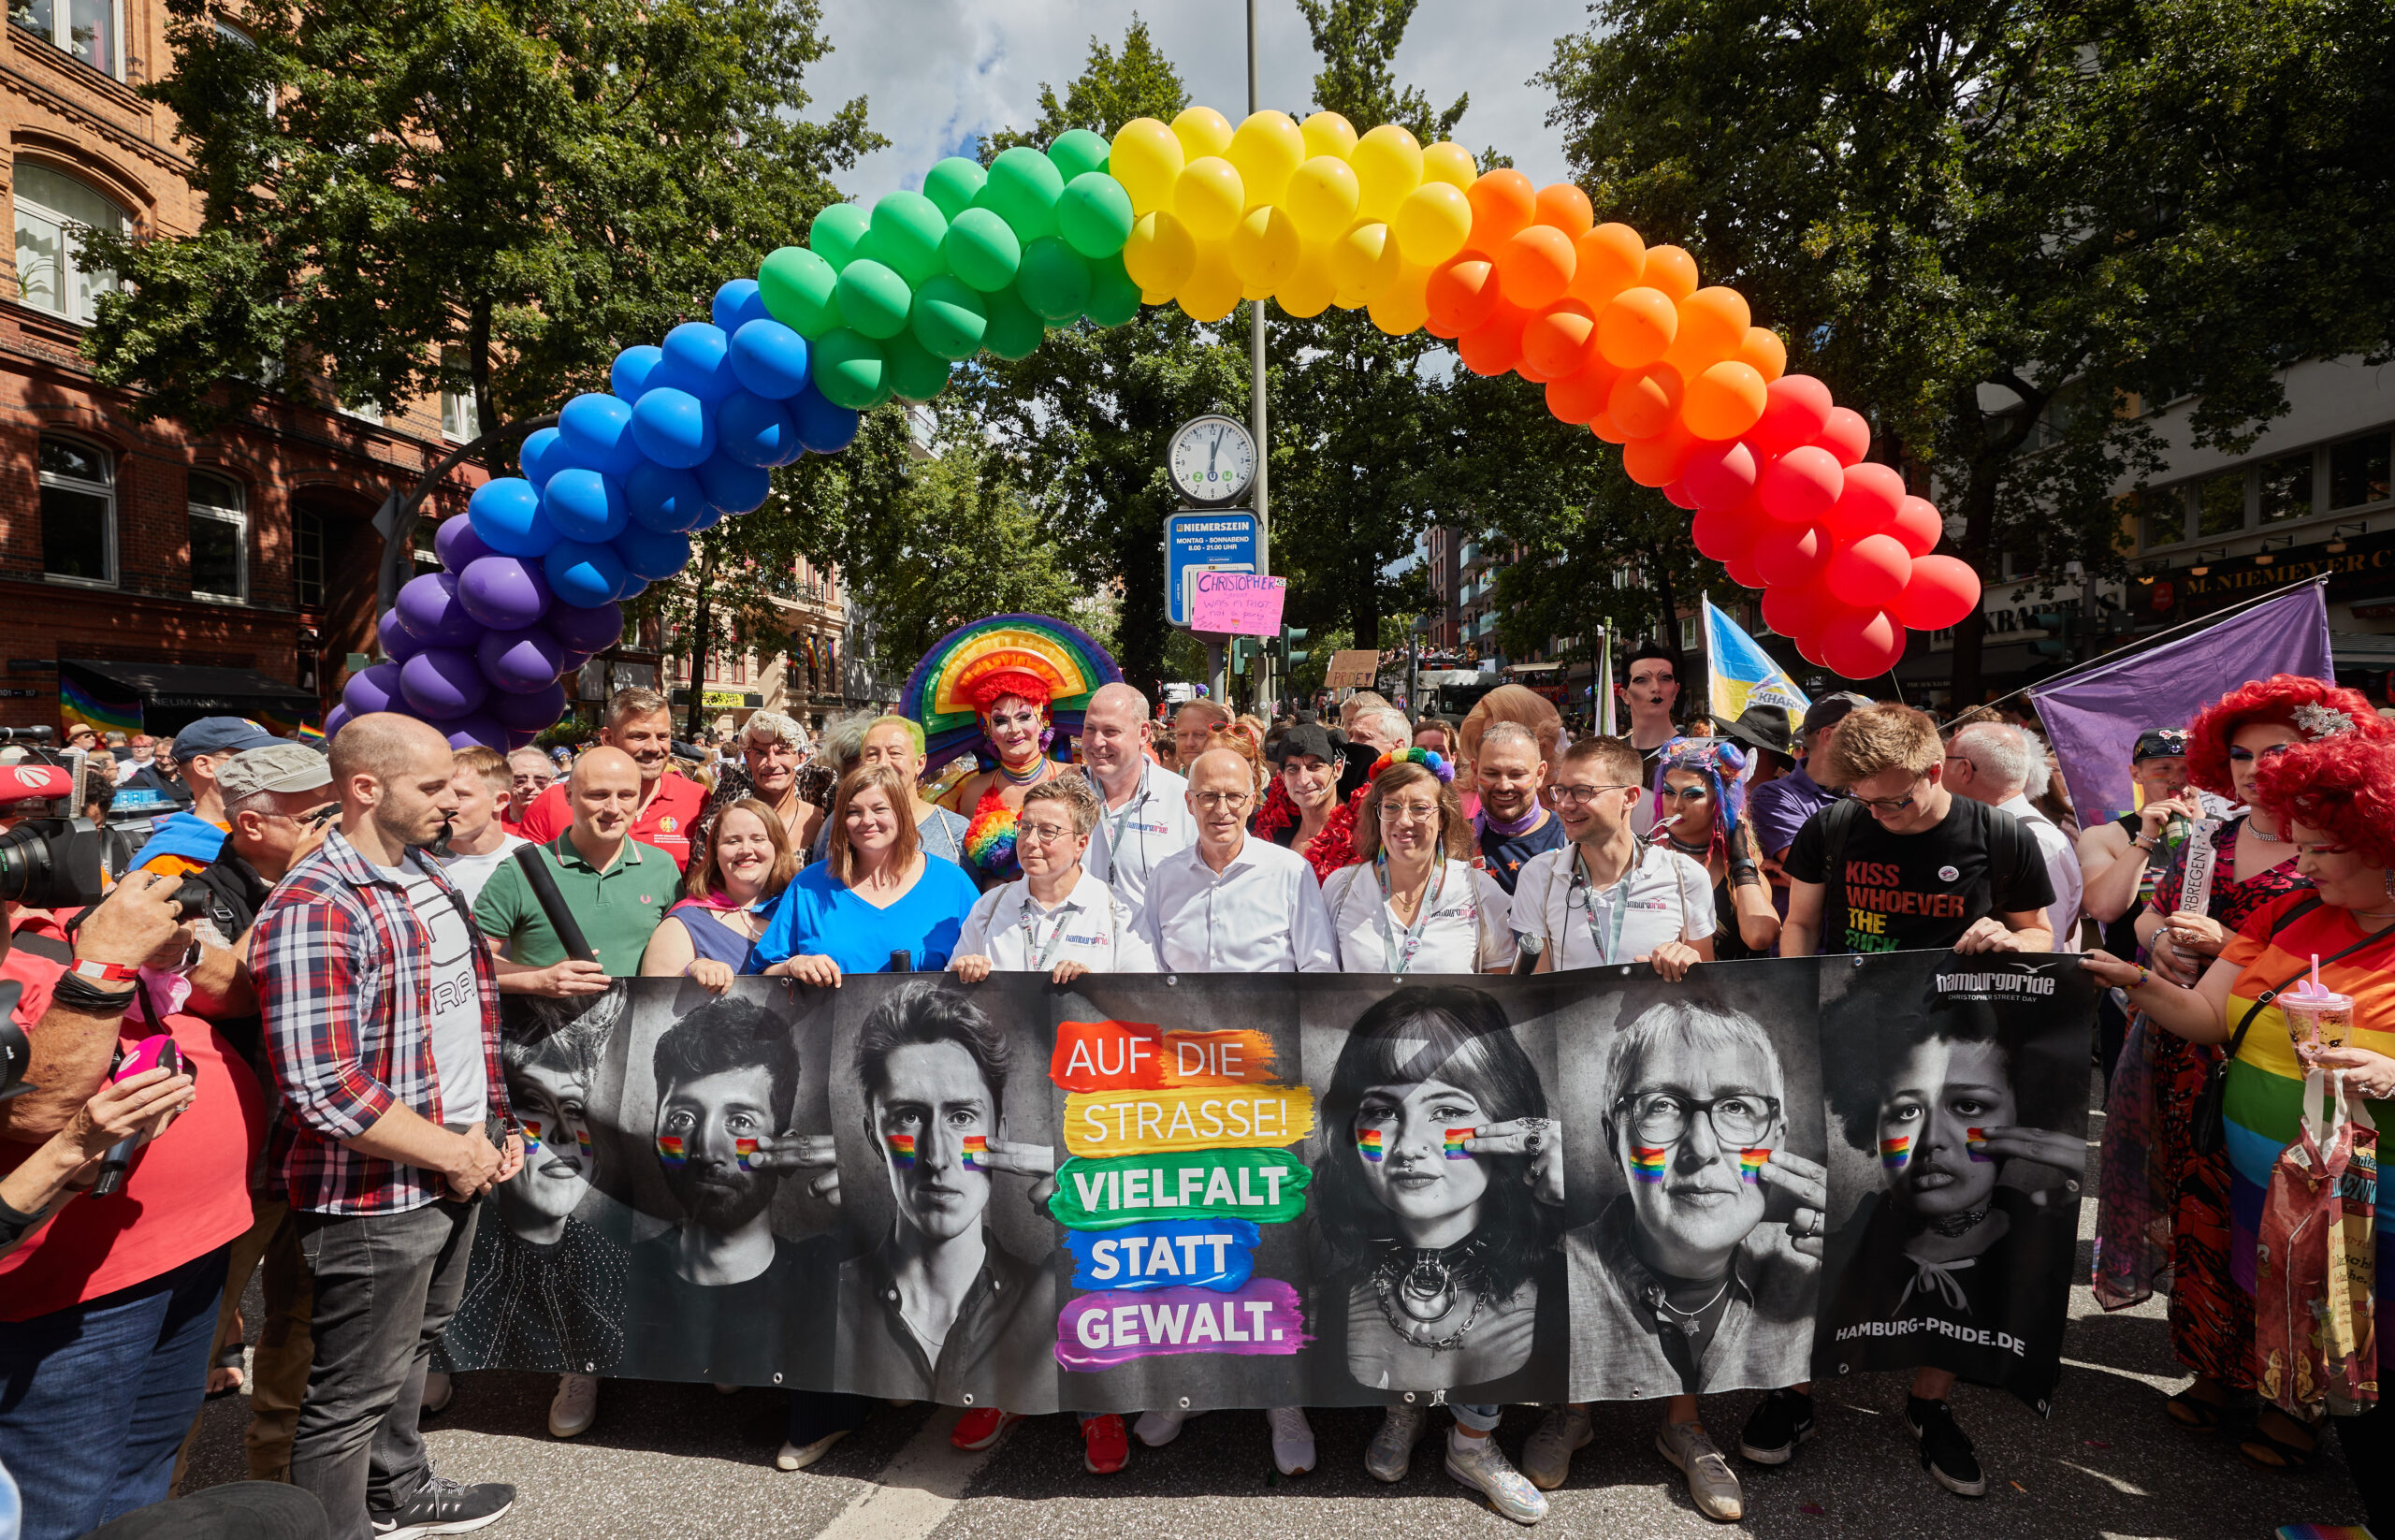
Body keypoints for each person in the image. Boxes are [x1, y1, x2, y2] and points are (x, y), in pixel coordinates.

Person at [2085, 725, 2395, 1535]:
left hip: (2376, 1215)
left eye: (2327, 847)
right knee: (2346, 1379)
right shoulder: (2294, 914)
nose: (2307, 859)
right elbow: (2204, 1015)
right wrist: (2132, 982)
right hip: (2284, 1202)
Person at [1747, 703, 2053, 1499]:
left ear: (1936, 770)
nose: (1878, 812)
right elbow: (1801, 924)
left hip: (1963, 1059)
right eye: (1865, 799)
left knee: (1950, 1228)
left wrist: (2008, 939)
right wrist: (1800, 1011)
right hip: (1853, 1054)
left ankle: (1930, 1406)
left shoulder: (1998, 836)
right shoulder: (1836, 828)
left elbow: (2043, 936)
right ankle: (1796, 1390)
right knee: (1836, 1223)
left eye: (1894, 800)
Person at [250, 712, 521, 1540]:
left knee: (412, 1347)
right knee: (348, 1395)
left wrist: (493, 1127)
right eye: (433, 785)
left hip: (453, 1162)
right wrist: (456, 1152)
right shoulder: (316, 905)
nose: (455, 800)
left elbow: (463, 1019)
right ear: (366, 788)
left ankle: (398, 1490)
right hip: (375, 1193)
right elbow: (325, 1087)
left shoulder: (425, 872)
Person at [0, 871, 263, 1540]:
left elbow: (239, 998)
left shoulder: (67, 906)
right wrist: (105, 962)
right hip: (71, 1285)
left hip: (195, 1244)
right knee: (58, 1501)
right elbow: (36, 1110)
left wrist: (180, 951)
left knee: (144, 1479)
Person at [1547, 1002, 1825, 1520]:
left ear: (1779, 1139)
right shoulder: (1552, 1267)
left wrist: (1870, 1258)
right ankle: (1572, 1411)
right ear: (1615, 1139)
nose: (1702, 1148)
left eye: (1738, 1108)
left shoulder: (1809, 1260)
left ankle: (1683, 1425)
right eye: (1662, 1106)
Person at [1139, 747, 1335, 1474]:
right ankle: (1184, 1388)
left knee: (1270, 1239)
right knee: (1189, 1233)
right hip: (1184, 1094)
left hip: (1266, 1093)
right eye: (1206, 796)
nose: (1220, 808)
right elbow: (1145, 975)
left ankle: (1284, 1400)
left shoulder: (1288, 873)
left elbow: (1317, 974)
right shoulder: (1163, 878)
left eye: (1232, 796)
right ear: (1186, 802)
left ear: (1253, 800)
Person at [1314, 986, 1561, 1524]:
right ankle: (1404, 1412)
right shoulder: (1327, 1295)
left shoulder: (1565, 1279)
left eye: (1447, 1109)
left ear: (1510, 1122)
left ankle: (1471, 1444)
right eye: (1381, 1111)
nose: (1409, 1146)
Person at [166, 743, 340, 1488]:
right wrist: (302, 883)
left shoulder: (343, 879)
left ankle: (277, 1493)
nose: (337, 821)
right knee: (190, 1342)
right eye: (317, 812)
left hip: (322, 1143)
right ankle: (154, 1503)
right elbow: (230, 991)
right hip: (240, 1159)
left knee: (302, 1328)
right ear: (252, 824)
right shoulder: (198, 895)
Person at [1813, 1000, 2085, 1467]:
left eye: (1968, 1106)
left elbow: (2035, 929)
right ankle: (1794, 1398)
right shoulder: (1830, 1246)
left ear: (2023, 1110)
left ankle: (1930, 1404)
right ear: (1870, 1125)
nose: (1931, 1139)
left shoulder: (2034, 1250)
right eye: (1904, 1112)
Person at [617, 995, 850, 1466]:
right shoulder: (621, 1277)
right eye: (683, 1118)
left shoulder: (831, 1278)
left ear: (784, 1150)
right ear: (655, 1130)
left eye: (740, 1121)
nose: (707, 1147)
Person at [835, 985, 1059, 1418]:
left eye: (961, 1117)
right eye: (908, 1116)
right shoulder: (829, 1296)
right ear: (873, 1138)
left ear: (1002, 1132)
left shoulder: (1051, 1295)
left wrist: (1097, 1210)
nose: (936, 1157)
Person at [755, 763, 982, 982]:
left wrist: (970, 967)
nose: (867, 821)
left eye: (879, 809)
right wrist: (792, 966)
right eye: (854, 811)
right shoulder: (808, 886)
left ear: (901, 814)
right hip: (831, 1022)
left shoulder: (951, 883)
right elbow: (762, 973)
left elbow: (991, 961)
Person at [1513, 737, 1717, 978]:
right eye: (1560, 791)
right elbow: (1537, 993)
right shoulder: (1539, 875)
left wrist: (1688, 962)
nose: (1565, 805)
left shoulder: (1684, 876)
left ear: (1630, 798)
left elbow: (1705, 990)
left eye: (1582, 792)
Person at [476, 747, 674, 993]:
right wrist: (540, 980)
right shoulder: (518, 872)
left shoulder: (662, 867)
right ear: (568, 794)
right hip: (544, 1028)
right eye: (598, 795)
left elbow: (682, 953)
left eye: (625, 795)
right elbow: (470, 961)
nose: (613, 808)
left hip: (639, 1027)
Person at [1319, 749, 1516, 974]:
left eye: (1420, 808)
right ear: (1377, 814)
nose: (1404, 821)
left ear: (1442, 817)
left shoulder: (1478, 890)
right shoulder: (1341, 889)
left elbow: (1499, 980)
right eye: (1391, 807)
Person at [2078, 727, 2196, 1083]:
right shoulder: (2105, 836)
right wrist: (2145, 838)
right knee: (2129, 1112)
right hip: (2130, 993)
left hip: (2206, 994)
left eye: (2188, 770)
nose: (2178, 782)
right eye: (2163, 769)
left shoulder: (2225, 834)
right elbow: (2103, 909)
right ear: (2137, 774)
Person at [515, 688, 707, 871]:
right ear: (607, 738)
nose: (654, 747)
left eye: (663, 736)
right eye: (639, 736)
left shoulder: (697, 799)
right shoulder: (552, 803)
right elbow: (523, 883)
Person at [643, 798, 800, 990]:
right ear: (715, 852)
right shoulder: (684, 923)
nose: (746, 850)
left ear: (777, 847)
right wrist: (689, 971)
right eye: (732, 841)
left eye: (758, 839)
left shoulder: (801, 912)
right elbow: (651, 1003)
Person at [1947, 722, 2082, 943]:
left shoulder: (2036, 838)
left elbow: (2047, 946)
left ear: (1964, 769)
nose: (1936, 771)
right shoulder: (1995, 829)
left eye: (1944, 760)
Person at [1651, 736, 1780, 961]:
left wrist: (1740, 858)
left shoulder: (1736, 872)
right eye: (1670, 792)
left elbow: (1761, 935)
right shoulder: (1647, 862)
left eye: (1692, 794)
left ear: (1720, 802)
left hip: (1728, 992)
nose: (1676, 805)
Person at [1075, 682, 1195, 909]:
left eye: (1111, 731)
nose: (1097, 742)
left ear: (1143, 734)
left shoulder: (1184, 799)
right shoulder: (1064, 794)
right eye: (1090, 729)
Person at [1747, 692, 1869, 912]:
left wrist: (1795, 879)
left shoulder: (1874, 792)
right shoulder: (1774, 797)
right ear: (1829, 736)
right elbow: (1812, 868)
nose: (1876, 744)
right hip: (1806, 942)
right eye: (1866, 734)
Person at [132, 715, 283, 877]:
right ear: (204, 766)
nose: (272, 767)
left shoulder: (280, 830)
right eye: (253, 758)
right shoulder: (170, 862)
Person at [842, 716, 970, 867]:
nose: (883, 763)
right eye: (872, 754)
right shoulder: (841, 825)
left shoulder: (955, 830)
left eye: (895, 753)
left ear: (920, 763)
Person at [1467, 722, 1567, 896]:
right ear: (1475, 772)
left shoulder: (1570, 840)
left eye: (1517, 774)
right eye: (1491, 773)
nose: (1504, 786)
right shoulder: (1456, 840)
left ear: (1540, 774)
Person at [1254, 722, 1357, 880]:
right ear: (1282, 777)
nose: (1303, 780)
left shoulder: (1361, 833)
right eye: (1293, 769)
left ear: (1337, 769)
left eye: (1314, 767)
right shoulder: (1275, 829)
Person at [437, 746, 529, 907]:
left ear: (499, 801)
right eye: (438, 792)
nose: (445, 803)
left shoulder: (533, 864)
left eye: (459, 795)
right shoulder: (415, 863)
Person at [737, 710, 826, 853]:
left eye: (782, 752)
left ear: (802, 757)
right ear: (748, 759)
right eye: (761, 753)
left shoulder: (823, 821)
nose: (772, 763)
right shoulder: (731, 821)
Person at [1172, 698, 1235, 770]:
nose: (1189, 743)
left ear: (1223, 737)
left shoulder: (1240, 780)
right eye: (1182, 735)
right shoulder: (1164, 780)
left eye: (1200, 735)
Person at [505, 746, 557, 830]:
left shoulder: (570, 824)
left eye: (540, 781)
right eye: (520, 780)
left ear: (552, 782)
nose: (530, 786)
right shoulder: (489, 823)